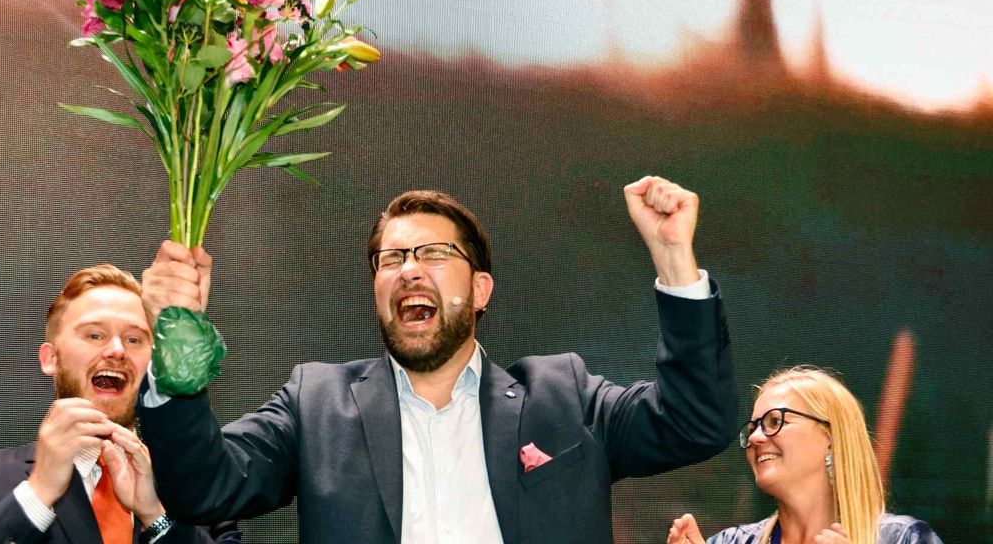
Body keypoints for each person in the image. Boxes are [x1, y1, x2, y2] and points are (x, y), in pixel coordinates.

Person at [137, 176, 737, 543]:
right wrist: (174, 353)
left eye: (431, 253)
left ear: (479, 291)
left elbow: (695, 423)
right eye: (390, 259)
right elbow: (204, 489)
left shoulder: (564, 395)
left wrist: (674, 262)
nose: (408, 269)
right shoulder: (315, 404)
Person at [0, 264, 241, 544]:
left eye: (134, 339)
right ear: (51, 359)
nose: (117, 350)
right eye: (94, 335)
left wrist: (156, 516)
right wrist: (39, 492)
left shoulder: (196, 485)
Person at [666, 367, 941, 544]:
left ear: (830, 438)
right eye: (753, 428)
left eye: (775, 422)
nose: (754, 438)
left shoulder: (903, 538)